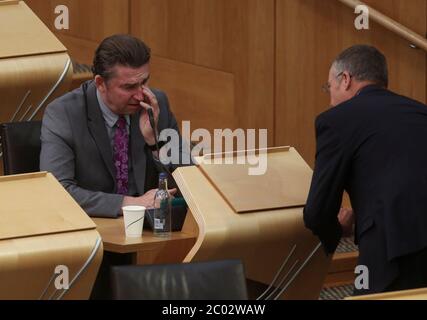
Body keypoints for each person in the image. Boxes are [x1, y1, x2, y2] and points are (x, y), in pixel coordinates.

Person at [303, 45, 427, 295]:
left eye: (330, 87)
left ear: (345, 79)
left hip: (395, 250)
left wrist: (339, 230)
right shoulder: (420, 112)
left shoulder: (336, 120)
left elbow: (317, 212)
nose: (330, 99)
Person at [40, 34, 188, 218]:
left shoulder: (155, 105)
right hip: (96, 229)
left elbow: (190, 184)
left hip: (151, 232)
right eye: (129, 87)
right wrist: (131, 204)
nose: (140, 95)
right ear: (101, 84)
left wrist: (154, 142)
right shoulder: (64, 114)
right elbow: (58, 191)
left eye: (144, 82)